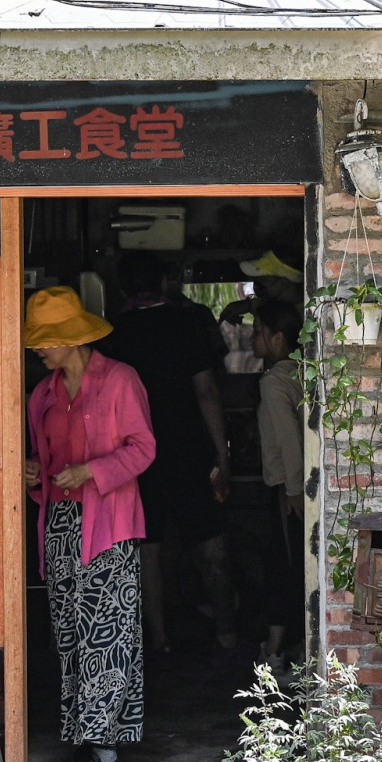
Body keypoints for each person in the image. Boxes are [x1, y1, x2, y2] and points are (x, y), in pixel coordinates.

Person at [22, 287, 156, 762]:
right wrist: (35, 472)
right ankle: (90, 739)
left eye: (46, 341)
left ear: (73, 340)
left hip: (110, 525)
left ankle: (105, 750)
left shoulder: (120, 380)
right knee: (71, 637)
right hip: (59, 526)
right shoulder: (44, 395)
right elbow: (45, 462)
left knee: (109, 636)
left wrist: (93, 471)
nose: (38, 349)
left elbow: (143, 448)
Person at [104, 276, 239, 658]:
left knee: (148, 547)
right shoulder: (188, 324)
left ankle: (159, 638)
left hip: (135, 456)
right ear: (164, 282)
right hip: (189, 450)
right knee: (210, 538)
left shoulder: (116, 331)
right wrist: (221, 453)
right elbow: (207, 391)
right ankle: (228, 632)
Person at [250, 299, 306, 666]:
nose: (253, 339)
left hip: (287, 489)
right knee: (296, 564)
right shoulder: (305, 372)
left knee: (284, 567)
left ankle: (277, 652)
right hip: (298, 487)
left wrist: (293, 490)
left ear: (277, 339)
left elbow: (288, 441)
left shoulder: (273, 382)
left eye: (258, 333)